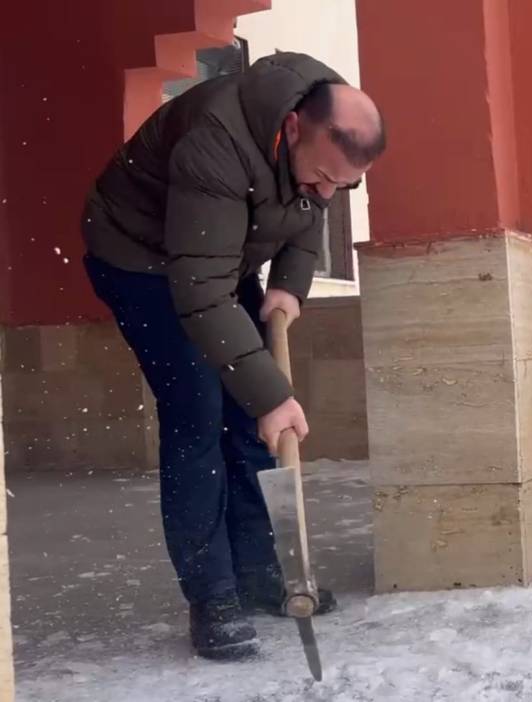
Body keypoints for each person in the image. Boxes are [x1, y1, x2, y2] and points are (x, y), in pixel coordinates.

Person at [81, 52, 385, 659]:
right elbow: (199, 293)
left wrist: (290, 282)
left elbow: (307, 205)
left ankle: (259, 574)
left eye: (343, 184)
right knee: (198, 410)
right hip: (141, 258)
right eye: (323, 173)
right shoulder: (216, 143)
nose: (327, 191)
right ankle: (213, 596)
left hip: (215, 254)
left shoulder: (317, 132)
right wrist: (273, 395)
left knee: (245, 417)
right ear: (293, 128)